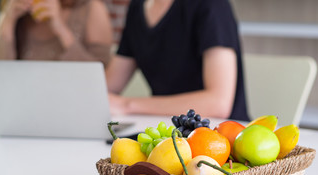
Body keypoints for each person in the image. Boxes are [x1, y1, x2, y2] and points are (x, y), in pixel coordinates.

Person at [106, 0, 249, 120]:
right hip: (167, 131)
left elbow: (218, 104)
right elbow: (108, 87)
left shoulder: (212, 4)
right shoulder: (137, 8)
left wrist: (127, 105)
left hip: (221, 138)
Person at [0, 0, 113, 67]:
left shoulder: (91, 9)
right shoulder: (19, 13)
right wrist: (9, 20)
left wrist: (60, 29)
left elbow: (102, 77)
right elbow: (1, 73)